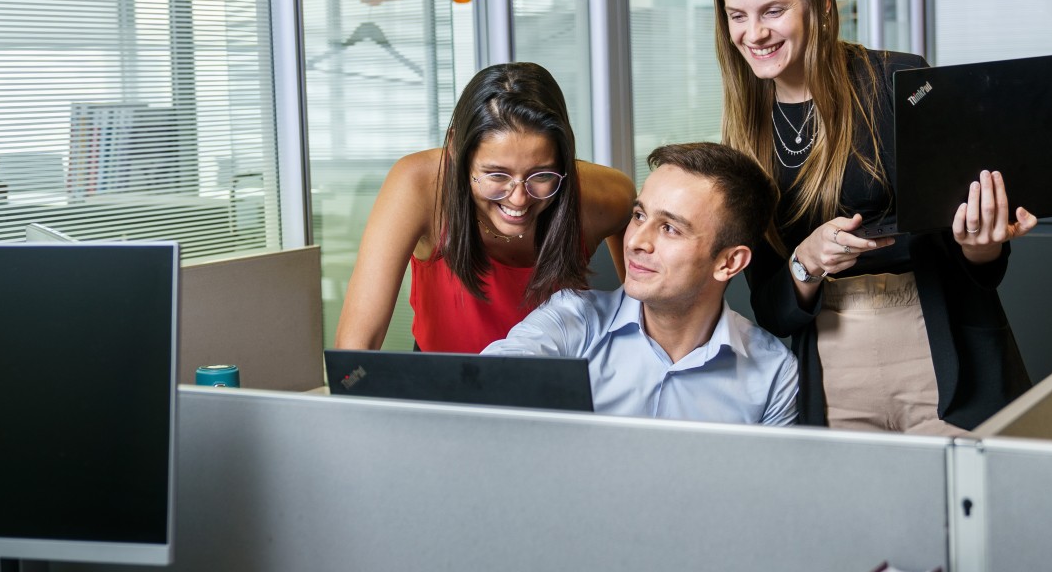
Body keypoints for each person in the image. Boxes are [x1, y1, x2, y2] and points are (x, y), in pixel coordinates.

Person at [713, 0, 1038, 433]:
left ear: (819, 4)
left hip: (937, 347)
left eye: (773, 10)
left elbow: (973, 261)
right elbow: (768, 307)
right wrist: (806, 261)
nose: (754, 33)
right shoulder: (743, 134)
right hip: (827, 366)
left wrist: (984, 243)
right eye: (738, 16)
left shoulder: (897, 80)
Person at [483, 142, 799, 426]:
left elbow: (769, 490)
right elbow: (480, 384)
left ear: (729, 262)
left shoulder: (773, 375)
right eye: (638, 215)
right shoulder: (573, 320)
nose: (636, 241)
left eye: (670, 228)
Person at [335, 62, 636, 353]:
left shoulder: (604, 197)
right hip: (446, 382)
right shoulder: (419, 186)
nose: (518, 199)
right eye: (496, 175)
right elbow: (356, 346)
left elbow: (643, 323)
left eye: (541, 175)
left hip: (554, 384)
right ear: (456, 150)